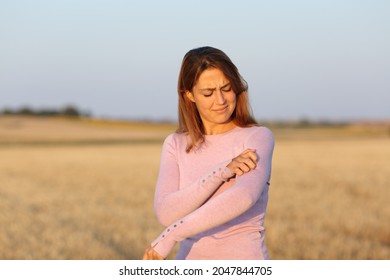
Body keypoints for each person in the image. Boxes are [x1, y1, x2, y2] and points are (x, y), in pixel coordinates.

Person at [143, 46, 274, 260]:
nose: (221, 101)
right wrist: (223, 171)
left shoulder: (257, 137)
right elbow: (166, 212)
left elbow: (243, 197)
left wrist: (171, 236)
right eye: (208, 93)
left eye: (227, 88)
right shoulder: (175, 144)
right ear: (189, 95)